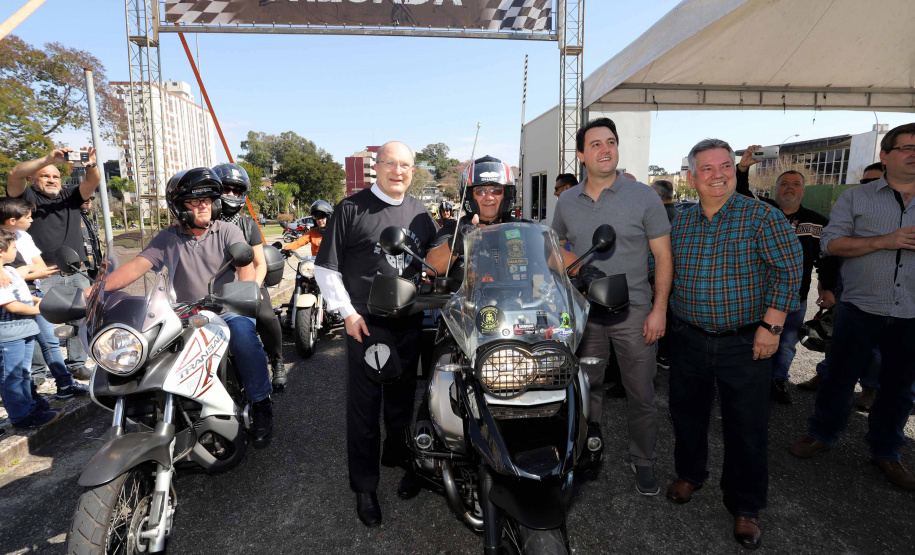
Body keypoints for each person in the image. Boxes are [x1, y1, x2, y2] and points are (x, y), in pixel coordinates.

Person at [667, 139, 802, 549]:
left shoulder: (761, 216)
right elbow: (660, 269)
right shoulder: (680, 223)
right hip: (689, 338)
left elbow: (788, 270)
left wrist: (772, 327)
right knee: (686, 414)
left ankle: (745, 506)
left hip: (745, 342)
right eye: (707, 169)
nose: (719, 175)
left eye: (725, 166)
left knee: (746, 426)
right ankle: (690, 474)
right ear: (692, 177)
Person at [99, 167, 275, 448]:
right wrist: (95, 291)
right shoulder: (168, 238)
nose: (203, 206)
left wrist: (242, 295)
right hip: (183, 312)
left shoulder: (227, 231)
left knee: (244, 338)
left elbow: (245, 267)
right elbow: (135, 268)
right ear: (180, 207)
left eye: (207, 200)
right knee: (146, 347)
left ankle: (260, 402)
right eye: (195, 201)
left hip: (226, 309)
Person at [314, 141, 439, 527]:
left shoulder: (420, 211)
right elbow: (326, 268)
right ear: (377, 167)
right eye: (390, 164)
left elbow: (436, 255)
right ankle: (365, 486)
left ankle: (398, 453)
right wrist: (348, 314)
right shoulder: (351, 209)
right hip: (367, 324)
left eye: (405, 165)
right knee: (365, 409)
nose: (398, 171)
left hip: (410, 319)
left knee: (402, 397)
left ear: (412, 171)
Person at [788, 123, 915, 490]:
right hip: (860, 307)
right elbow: (830, 244)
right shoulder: (856, 198)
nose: (913, 154)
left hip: (910, 312)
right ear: (885, 156)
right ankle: (821, 434)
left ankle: (886, 451)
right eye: (906, 147)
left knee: (900, 388)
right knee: (839, 378)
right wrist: (884, 241)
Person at [552, 118, 673, 495]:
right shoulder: (566, 201)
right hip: (586, 313)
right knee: (586, 390)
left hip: (635, 312)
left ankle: (643, 460)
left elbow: (663, 257)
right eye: (596, 144)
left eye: (611, 142)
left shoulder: (644, 196)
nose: (605, 150)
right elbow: (552, 250)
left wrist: (659, 309)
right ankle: (587, 451)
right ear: (580, 155)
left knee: (641, 393)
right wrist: (578, 269)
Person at [736, 148, 839, 405]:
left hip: (795, 296)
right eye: (784, 183)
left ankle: (777, 380)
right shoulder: (762, 211)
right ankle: (748, 382)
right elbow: (740, 193)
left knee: (785, 344)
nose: (789, 187)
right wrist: (743, 168)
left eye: (795, 184)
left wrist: (828, 288)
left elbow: (826, 259)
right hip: (755, 294)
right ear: (775, 189)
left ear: (803, 190)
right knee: (749, 339)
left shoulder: (818, 222)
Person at [797, 162, 885, 411]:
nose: (869, 187)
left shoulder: (899, 214)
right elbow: (830, 252)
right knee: (835, 335)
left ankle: (869, 388)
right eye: (865, 182)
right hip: (845, 287)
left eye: (876, 181)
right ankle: (824, 375)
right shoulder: (850, 207)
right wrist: (826, 286)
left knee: (875, 346)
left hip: (880, 291)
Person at [6, 148, 100, 374]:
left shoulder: (71, 195)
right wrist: (48, 159)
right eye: (45, 175)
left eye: (55, 176)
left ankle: (77, 364)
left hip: (75, 270)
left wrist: (91, 165)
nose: (51, 180)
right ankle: (38, 372)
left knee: (80, 319)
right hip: (42, 273)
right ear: (33, 179)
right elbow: (14, 175)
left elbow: (92, 182)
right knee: (41, 323)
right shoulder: (28, 197)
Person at [0, 197, 88, 400]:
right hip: (12, 303)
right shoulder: (4, 242)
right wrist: (21, 273)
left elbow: (39, 267)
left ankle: (63, 384)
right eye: (28, 217)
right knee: (16, 358)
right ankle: (23, 398)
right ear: (12, 220)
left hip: (33, 294)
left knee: (50, 342)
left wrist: (20, 272)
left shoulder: (23, 237)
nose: (32, 220)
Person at [213, 163, 288, 390]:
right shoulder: (205, 224)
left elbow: (260, 263)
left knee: (266, 316)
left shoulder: (248, 225)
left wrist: (253, 289)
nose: (231, 194)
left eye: (236, 190)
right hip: (214, 288)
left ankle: (277, 360)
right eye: (226, 189)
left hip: (248, 285)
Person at [0, 229, 62, 429]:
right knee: (12, 376)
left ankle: (32, 408)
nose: (16, 251)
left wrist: (43, 301)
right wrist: (40, 309)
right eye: (13, 247)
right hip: (9, 336)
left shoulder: (9, 271)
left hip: (25, 330)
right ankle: (20, 417)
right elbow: (12, 305)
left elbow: (24, 295)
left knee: (24, 373)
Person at [79, 196, 103, 281]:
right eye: (85, 198)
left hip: (93, 263)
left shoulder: (85, 217)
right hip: (82, 267)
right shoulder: (73, 217)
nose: (89, 201)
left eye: (91, 199)